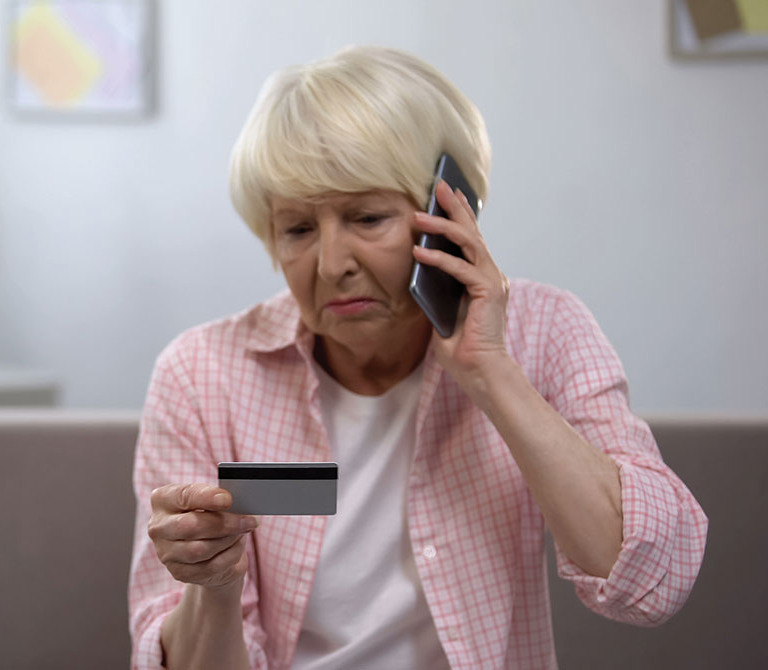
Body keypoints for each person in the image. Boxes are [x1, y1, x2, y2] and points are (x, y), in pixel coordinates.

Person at [127, 46, 707, 670]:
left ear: (450, 212)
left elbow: (652, 583)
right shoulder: (200, 372)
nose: (331, 265)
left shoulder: (546, 330)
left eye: (367, 217)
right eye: (297, 229)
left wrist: (492, 372)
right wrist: (212, 588)